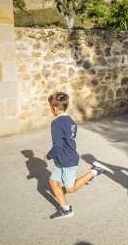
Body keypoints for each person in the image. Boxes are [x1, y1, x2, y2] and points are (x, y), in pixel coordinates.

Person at [44, 91, 114, 219]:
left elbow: (58, 145)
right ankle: (65, 209)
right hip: (64, 158)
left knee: (70, 189)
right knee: (53, 182)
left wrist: (49, 156)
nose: (50, 110)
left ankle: (95, 170)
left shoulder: (56, 123)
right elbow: (71, 137)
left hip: (67, 160)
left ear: (54, 108)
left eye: (50, 107)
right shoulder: (70, 120)